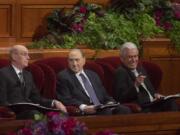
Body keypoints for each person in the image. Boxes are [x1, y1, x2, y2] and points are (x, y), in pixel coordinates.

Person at [56, 49, 131, 115]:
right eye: (71, 60)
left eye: (77, 60)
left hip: (101, 106)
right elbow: (65, 98)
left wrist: (110, 102)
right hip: (86, 109)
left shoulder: (93, 74)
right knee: (106, 112)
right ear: (68, 61)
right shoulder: (63, 76)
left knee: (124, 109)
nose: (74, 64)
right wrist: (84, 107)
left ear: (84, 60)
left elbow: (104, 94)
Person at [0, 45, 67, 119]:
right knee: (35, 115)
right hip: (14, 114)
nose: (28, 58)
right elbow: (2, 101)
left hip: (31, 110)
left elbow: (36, 98)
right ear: (14, 56)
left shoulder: (28, 75)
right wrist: (8, 113)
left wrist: (53, 102)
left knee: (60, 114)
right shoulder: (3, 74)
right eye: (25, 54)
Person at [114, 42, 178, 112]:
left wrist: (156, 95)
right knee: (170, 104)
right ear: (122, 58)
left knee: (171, 101)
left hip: (153, 103)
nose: (134, 60)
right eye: (130, 57)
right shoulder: (121, 72)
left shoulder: (140, 69)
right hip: (142, 106)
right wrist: (136, 86)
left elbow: (150, 90)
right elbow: (121, 98)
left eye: (135, 56)